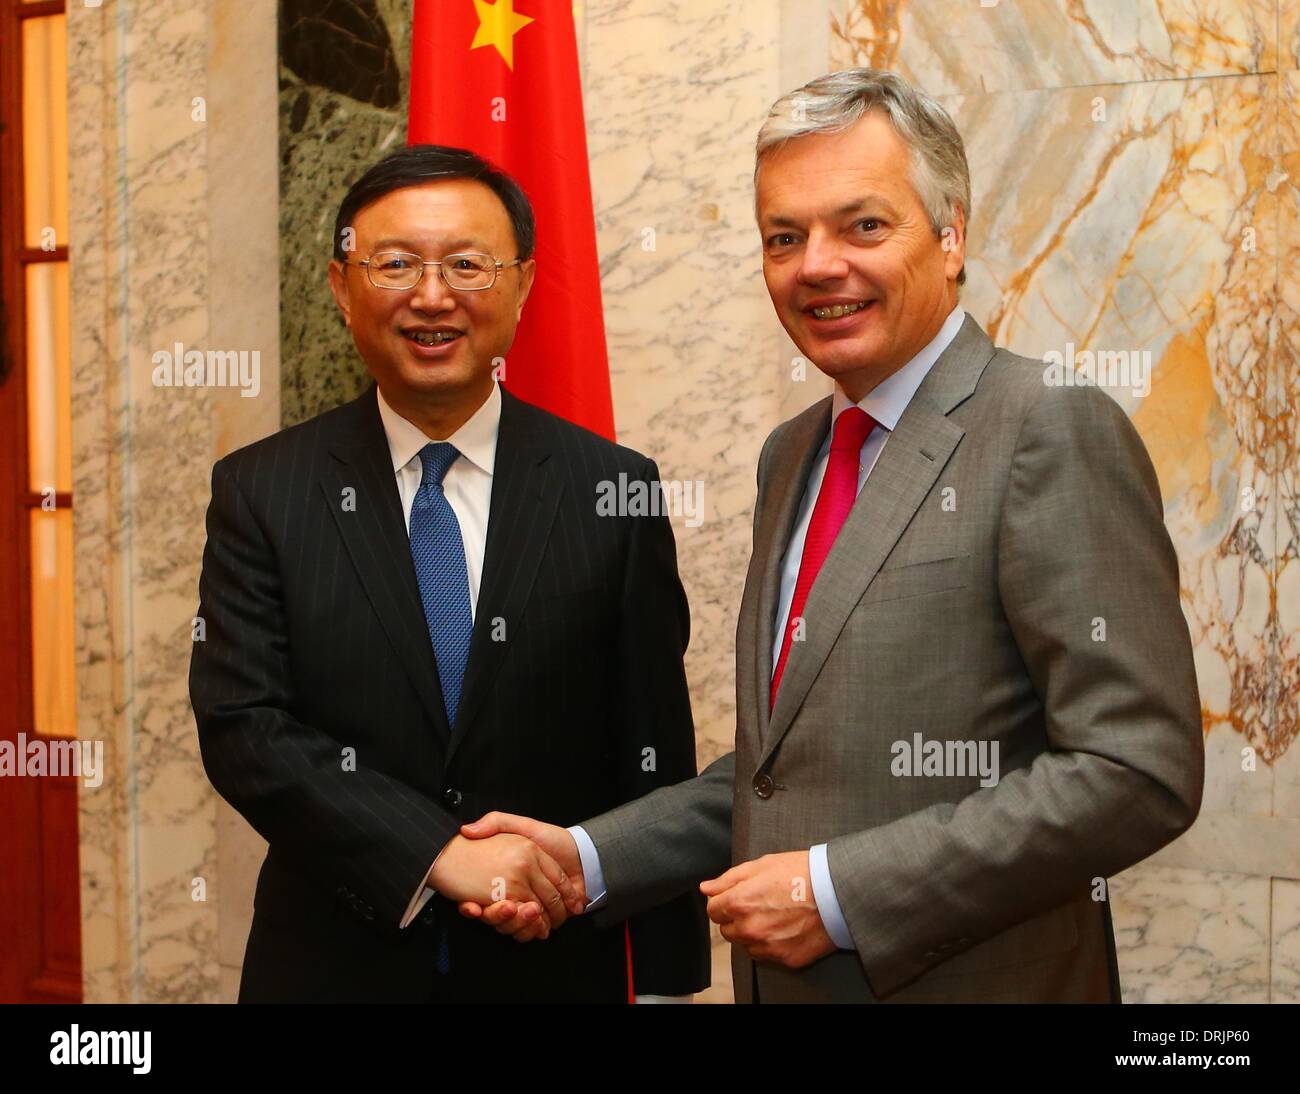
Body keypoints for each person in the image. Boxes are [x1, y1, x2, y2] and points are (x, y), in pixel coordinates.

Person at [457, 69, 1205, 1004]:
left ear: (951, 235)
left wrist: (840, 893)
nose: (816, 265)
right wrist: (583, 855)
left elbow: (1135, 769)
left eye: (863, 226)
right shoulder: (795, 452)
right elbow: (788, 775)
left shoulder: (1046, 427)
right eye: (784, 236)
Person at [189, 144, 709, 1002]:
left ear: (524, 284)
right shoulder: (262, 490)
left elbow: (652, 745)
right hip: (331, 969)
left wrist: (665, 979)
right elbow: (245, 728)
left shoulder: (611, 487)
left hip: (553, 969)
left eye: (468, 264)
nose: (433, 296)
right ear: (340, 285)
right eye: (395, 264)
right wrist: (438, 855)